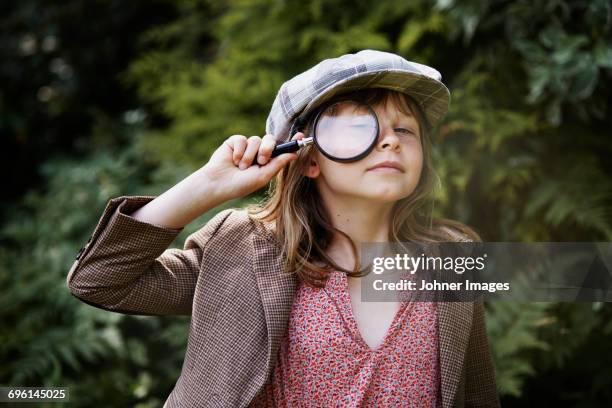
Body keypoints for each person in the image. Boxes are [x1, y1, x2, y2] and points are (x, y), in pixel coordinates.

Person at [66, 49, 500, 407]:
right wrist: (208, 186)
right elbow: (98, 280)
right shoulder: (242, 248)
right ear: (308, 157)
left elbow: (478, 394)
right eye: (358, 129)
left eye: (405, 129)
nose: (390, 140)